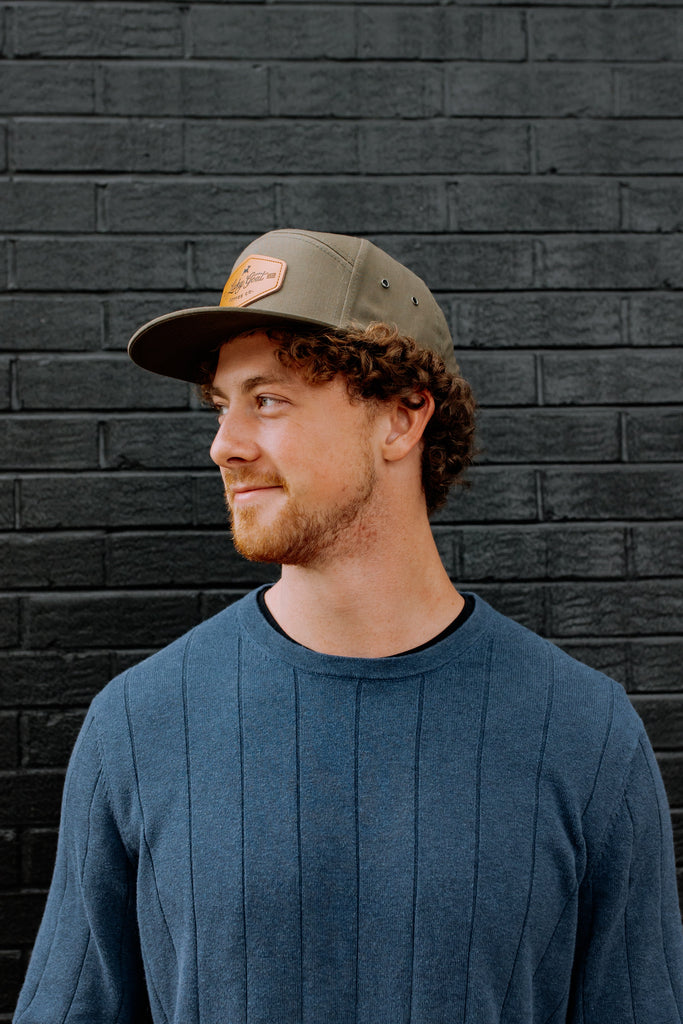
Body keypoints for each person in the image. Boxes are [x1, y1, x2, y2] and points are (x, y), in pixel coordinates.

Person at [14, 229, 683, 1023]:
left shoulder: (583, 734)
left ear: (401, 419)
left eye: (268, 400)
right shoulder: (139, 725)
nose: (223, 445)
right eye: (223, 407)